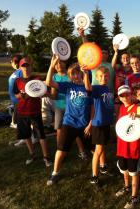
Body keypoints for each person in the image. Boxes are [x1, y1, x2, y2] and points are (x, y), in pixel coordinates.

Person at [45, 56, 92, 185]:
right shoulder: (67, 86)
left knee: (94, 149)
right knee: (61, 149)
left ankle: (100, 167)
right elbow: (49, 82)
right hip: (69, 123)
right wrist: (51, 66)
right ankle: (55, 173)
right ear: (70, 76)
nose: (76, 76)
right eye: (73, 74)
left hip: (84, 125)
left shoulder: (88, 86)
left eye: (78, 73)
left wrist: (86, 74)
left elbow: (89, 90)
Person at [115, 85, 140, 209]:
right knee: (124, 170)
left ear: (131, 95)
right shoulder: (120, 108)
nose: (125, 97)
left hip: (134, 147)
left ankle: (135, 197)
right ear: (119, 97)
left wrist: (139, 116)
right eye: (122, 95)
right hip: (122, 146)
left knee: (134, 173)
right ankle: (126, 187)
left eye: (127, 94)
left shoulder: (137, 107)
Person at [13, 57, 52, 167]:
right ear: (20, 67)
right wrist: (20, 95)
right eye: (23, 66)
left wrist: (43, 93)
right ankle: (32, 154)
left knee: (41, 135)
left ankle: (46, 157)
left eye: (28, 65)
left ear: (31, 66)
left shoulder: (37, 79)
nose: (26, 68)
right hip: (22, 111)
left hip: (35, 111)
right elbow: (15, 94)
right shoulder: (18, 81)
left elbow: (44, 93)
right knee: (26, 135)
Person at [89, 66, 115, 184]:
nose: (103, 78)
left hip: (106, 122)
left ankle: (103, 166)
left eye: (105, 76)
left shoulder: (107, 89)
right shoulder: (96, 88)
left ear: (108, 77)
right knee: (98, 149)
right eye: (101, 76)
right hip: (98, 123)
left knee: (103, 146)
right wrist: (85, 74)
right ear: (96, 77)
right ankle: (94, 176)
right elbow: (88, 88)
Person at [8, 54, 22, 128]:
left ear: (16, 63)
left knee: (17, 109)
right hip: (15, 96)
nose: (11, 64)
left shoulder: (20, 71)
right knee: (17, 109)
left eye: (11, 62)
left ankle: (14, 122)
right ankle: (14, 122)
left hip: (16, 96)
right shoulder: (17, 71)